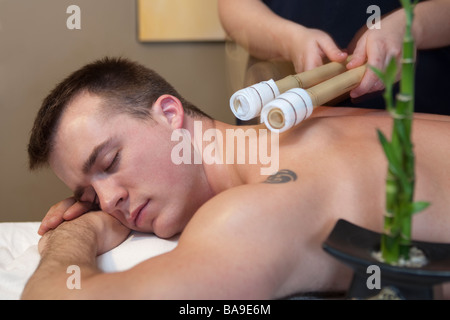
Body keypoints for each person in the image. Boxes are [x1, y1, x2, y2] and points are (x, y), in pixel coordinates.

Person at [22, 57, 450, 299]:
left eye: (111, 161)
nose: (109, 199)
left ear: (170, 115)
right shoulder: (312, 119)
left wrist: (81, 231)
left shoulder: (253, 211)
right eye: (89, 195)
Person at [218, 0, 450, 114]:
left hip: (414, 109)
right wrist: (289, 40)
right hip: (289, 116)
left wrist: (410, 25)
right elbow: (234, 5)